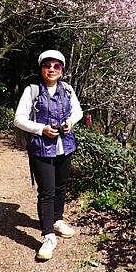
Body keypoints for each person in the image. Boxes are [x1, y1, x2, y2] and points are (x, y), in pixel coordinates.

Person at [14, 50, 83, 261]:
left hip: (65, 146)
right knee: (47, 191)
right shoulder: (32, 90)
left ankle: (57, 220)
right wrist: (41, 128)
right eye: (47, 65)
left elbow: (77, 111)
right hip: (40, 148)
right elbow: (19, 119)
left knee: (61, 187)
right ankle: (48, 237)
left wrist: (71, 121)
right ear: (41, 68)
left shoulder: (68, 90)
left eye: (56, 66)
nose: (51, 69)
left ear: (62, 70)